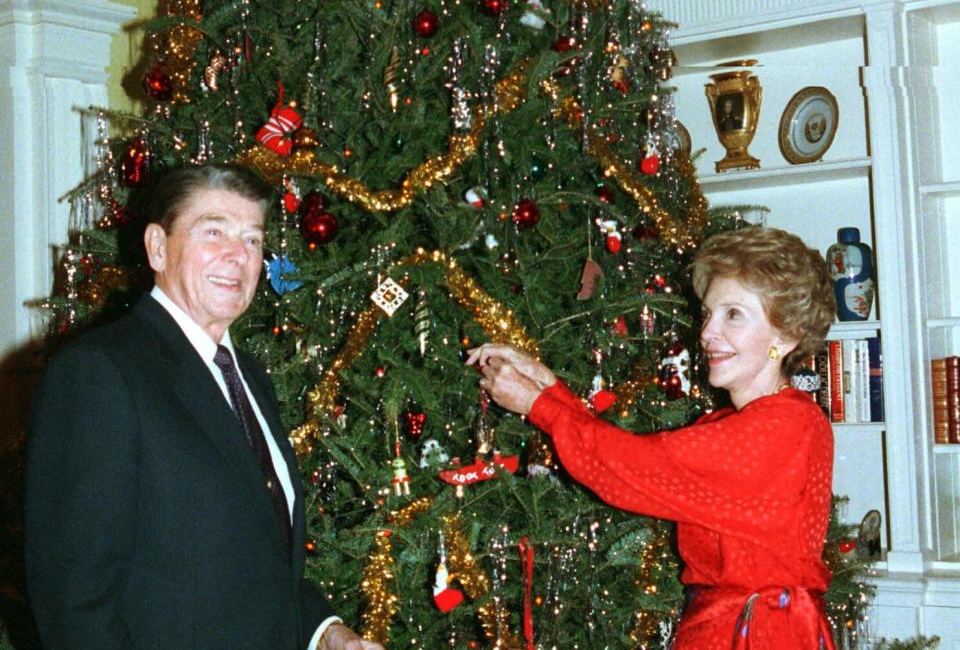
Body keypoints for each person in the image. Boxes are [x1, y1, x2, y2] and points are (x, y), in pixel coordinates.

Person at [25, 165, 383, 650]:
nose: (237, 256)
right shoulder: (100, 372)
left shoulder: (248, 377)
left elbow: (259, 557)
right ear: (157, 247)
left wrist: (326, 632)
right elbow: (73, 600)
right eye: (213, 231)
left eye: (252, 240)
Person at [467, 226, 838, 649]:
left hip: (762, 634)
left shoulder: (784, 427)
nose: (707, 333)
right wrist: (546, 388)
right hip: (729, 627)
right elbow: (631, 465)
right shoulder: (742, 423)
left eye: (733, 314)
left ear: (785, 334)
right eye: (708, 313)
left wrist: (541, 403)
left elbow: (631, 465)